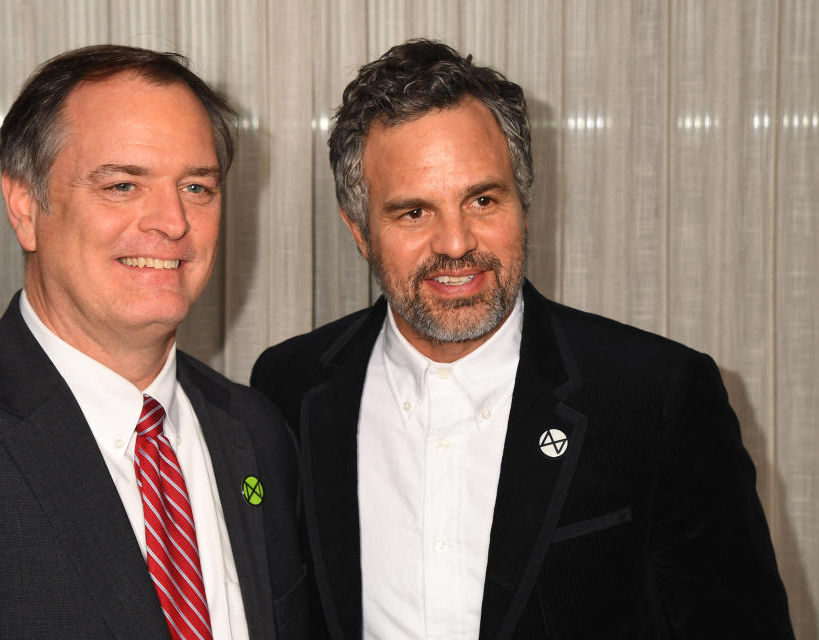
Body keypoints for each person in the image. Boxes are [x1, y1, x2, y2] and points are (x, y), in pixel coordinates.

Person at [251, 39, 792, 639]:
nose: (456, 243)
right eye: (413, 213)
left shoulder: (658, 397)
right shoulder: (288, 387)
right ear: (360, 231)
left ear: (523, 202)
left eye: (482, 199)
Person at [0, 45, 307, 640]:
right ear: (24, 206)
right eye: (123, 185)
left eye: (197, 187)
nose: (172, 222)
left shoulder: (256, 430)